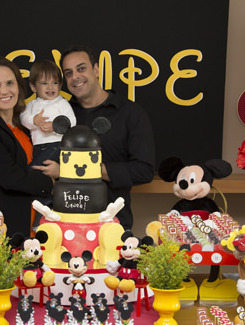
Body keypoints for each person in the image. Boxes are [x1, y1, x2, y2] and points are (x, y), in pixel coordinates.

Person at [36, 45, 155, 229]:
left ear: (96, 70)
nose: (75, 77)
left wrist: (72, 170)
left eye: (81, 68)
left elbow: (144, 171)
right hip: (64, 225)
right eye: (68, 73)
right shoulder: (60, 115)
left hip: (113, 226)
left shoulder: (130, 113)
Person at [0, 56, 53, 237]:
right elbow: (9, 177)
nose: (4, 91)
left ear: (18, 87)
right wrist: (50, 182)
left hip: (42, 223)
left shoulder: (26, 125)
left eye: (10, 83)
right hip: (7, 226)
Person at [20, 59, 77, 167]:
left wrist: (55, 126)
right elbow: (23, 118)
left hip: (58, 145)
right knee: (38, 167)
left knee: (35, 168)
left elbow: (72, 121)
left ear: (60, 85)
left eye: (55, 83)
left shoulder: (61, 102)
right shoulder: (31, 104)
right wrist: (34, 120)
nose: (50, 87)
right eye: (44, 83)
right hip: (37, 147)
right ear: (33, 87)